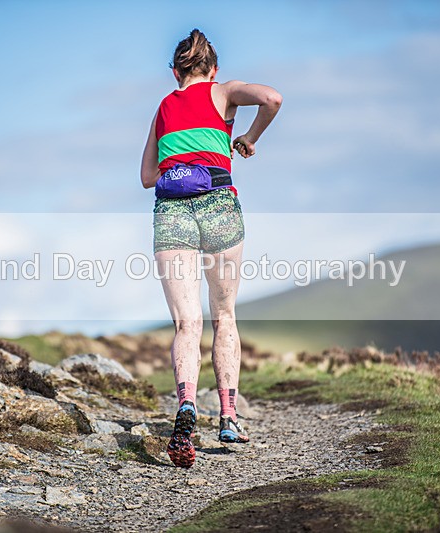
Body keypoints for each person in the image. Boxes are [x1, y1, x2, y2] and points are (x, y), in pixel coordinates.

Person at [140, 29, 282, 468]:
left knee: (187, 323)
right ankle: (228, 417)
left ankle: (185, 406)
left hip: (172, 212)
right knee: (224, 316)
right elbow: (272, 98)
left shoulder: (164, 107)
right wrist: (248, 138)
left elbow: (147, 177)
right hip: (220, 204)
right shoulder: (223, 93)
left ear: (174, 71)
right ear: (213, 68)